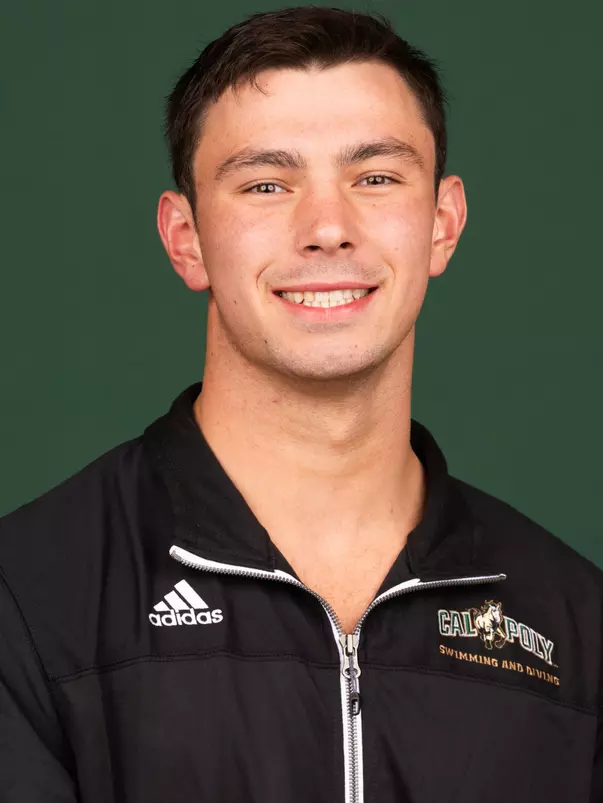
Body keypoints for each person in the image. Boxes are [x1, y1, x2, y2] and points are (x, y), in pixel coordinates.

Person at [0, 6, 601, 802]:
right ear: (186, 239)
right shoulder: (28, 596)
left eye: (375, 177)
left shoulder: (575, 621)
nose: (326, 227)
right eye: (266, 183)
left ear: (442, 224)